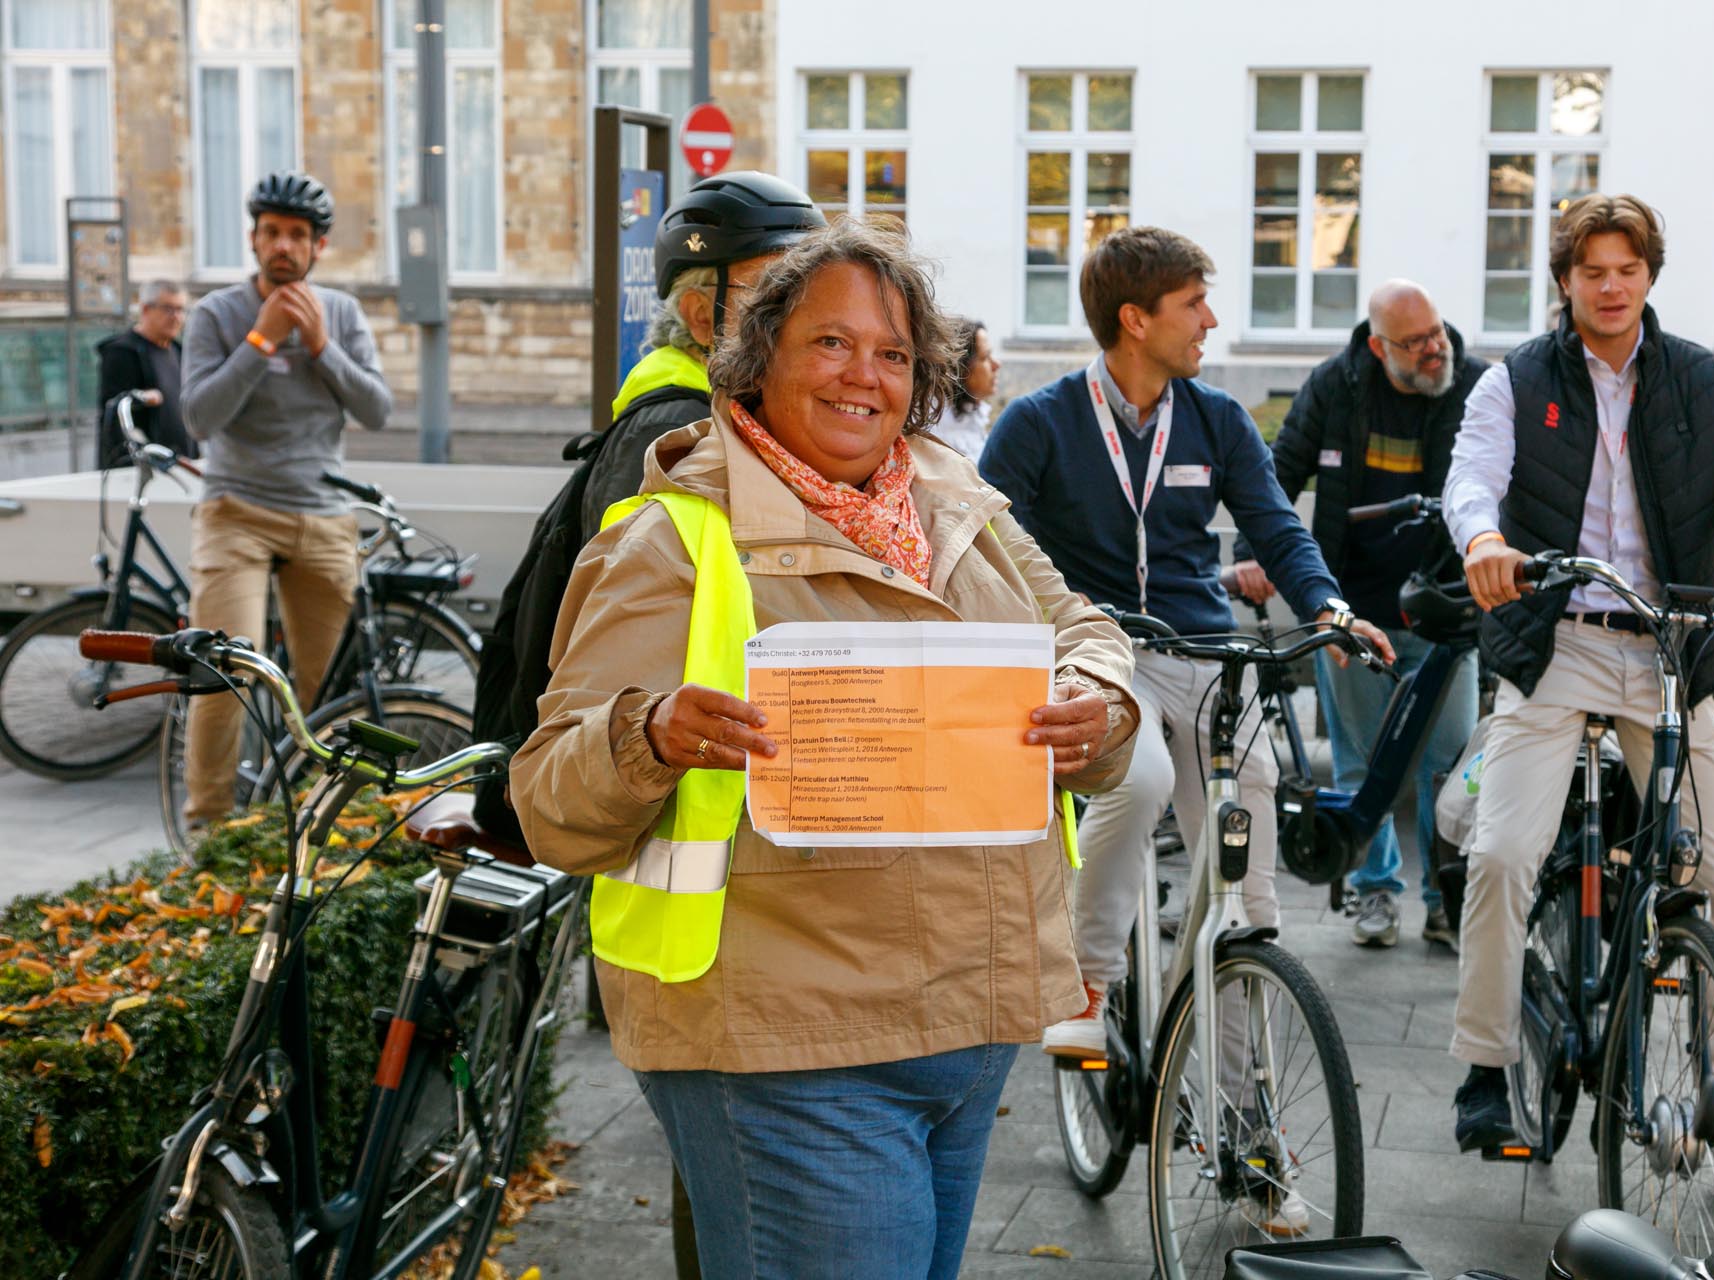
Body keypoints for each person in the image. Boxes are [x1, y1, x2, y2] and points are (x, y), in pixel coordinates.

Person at [510, 217, 1140, 1280]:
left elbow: (1082, 625)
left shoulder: (953, 503)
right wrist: (652, 733)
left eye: (894, 352)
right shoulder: (673, 534)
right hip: (787, 1045)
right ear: (758, 362)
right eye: (830, 343)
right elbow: (547, 796)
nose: (867, 376)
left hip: (967, 1027)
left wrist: (1100, 697)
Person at [1442, 195, 1714, 1181]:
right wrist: (1484, 539)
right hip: (1557, 640)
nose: (1610, 284)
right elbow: (1473, 474)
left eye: (1626, 267)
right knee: (1503, 852)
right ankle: (1483, 1062)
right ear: (1564, 279)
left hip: (1674, 647)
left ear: (1648, 275)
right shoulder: (1518, 380)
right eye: (1591, 268)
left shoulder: (1701, 379)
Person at [469, 170, 822, 1280]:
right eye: (776, 296)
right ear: (707, 307)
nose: (801, 323)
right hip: (691, 866)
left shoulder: (716, 414)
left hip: (727, 855)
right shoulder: (671, 436)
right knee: (729, 1174)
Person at [978, 225, 1393, 1063]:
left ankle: (1241, 1114)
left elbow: (1276, 526)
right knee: (1140, 782)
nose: (1210, 321)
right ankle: (1085, 984)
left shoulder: (1216, 419)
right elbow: (983, 540)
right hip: (1099, 653)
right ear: (1136, 319)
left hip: (1203, 651)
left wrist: (1328, 606)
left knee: (1252, 872)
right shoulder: (1039, 423)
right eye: (1194, 304)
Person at [1229, 280, 1487, 951]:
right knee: (1360, 761)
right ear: (1378, 347)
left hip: (1446, 610)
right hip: (1350, 607)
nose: (1435, 350)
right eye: (1415, 343)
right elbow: (1276, 475)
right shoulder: (1335, 388)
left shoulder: (1477, 385)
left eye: (1436, 333)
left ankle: (1443, 898)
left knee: (1448, 763)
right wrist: (1252, 552)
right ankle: (1376, 893)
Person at [179, 171, 391, 834]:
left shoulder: (343, 314)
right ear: (253, 238)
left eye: (297, 235)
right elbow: (198, 417)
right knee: (225, 675)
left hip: (323, 517)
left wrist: (321, 346)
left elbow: (377, 410)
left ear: (317, 247)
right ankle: (209, 831)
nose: (283, 245)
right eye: (271, 232)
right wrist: (261, 339)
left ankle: (331, 830)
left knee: (333, 694)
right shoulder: (217, 314)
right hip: (235, 514)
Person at [591, 172, 828, 540]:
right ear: (701, 316)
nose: (795, 314)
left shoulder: (745, 410)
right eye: (768, 293)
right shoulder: (675, 431)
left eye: (807, 293)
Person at [96, 280, 196, 469]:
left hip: (182, 465)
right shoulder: (123, 352)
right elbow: (116, 419)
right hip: (143, 471)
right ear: (145, 309)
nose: (176, 317)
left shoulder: (178, 351)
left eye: (181, 309)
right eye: (168, 309)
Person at [928, 317, 1000, 461]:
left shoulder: (973, 417)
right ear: (961, 367)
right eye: (985, 357)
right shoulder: (937, 432)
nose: (996, 364)